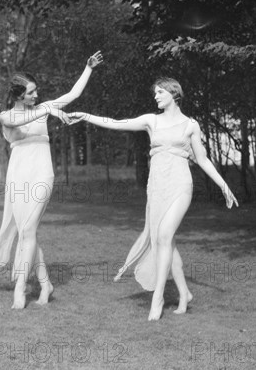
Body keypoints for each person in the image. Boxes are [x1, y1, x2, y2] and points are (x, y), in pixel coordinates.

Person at [68, 77, 238, 321]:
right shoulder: (151, 120)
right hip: (156, 187)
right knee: (167, 242)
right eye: (155, 93)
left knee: (164, 236)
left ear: (173, 93)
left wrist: (224, 185)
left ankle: (157, 297)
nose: (156, 96)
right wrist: (85, 115)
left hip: (180, 185)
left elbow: (202, 159)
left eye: (160, 92)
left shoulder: (191, 125)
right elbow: (116, 123)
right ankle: (184, 293)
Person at [0, 51, 103, 309]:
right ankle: (46, 284)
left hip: (42, 172)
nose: (36, 95)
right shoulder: (6, 117)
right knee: (28, 231)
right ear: (17, 95)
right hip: (18, 174)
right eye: (31, 92)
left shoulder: (42, 109)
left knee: (28, 230)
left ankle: (20, 290)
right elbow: (23, 118)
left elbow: (72, 95)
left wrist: (88, 68)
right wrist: (50, 111)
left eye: (37, 91)